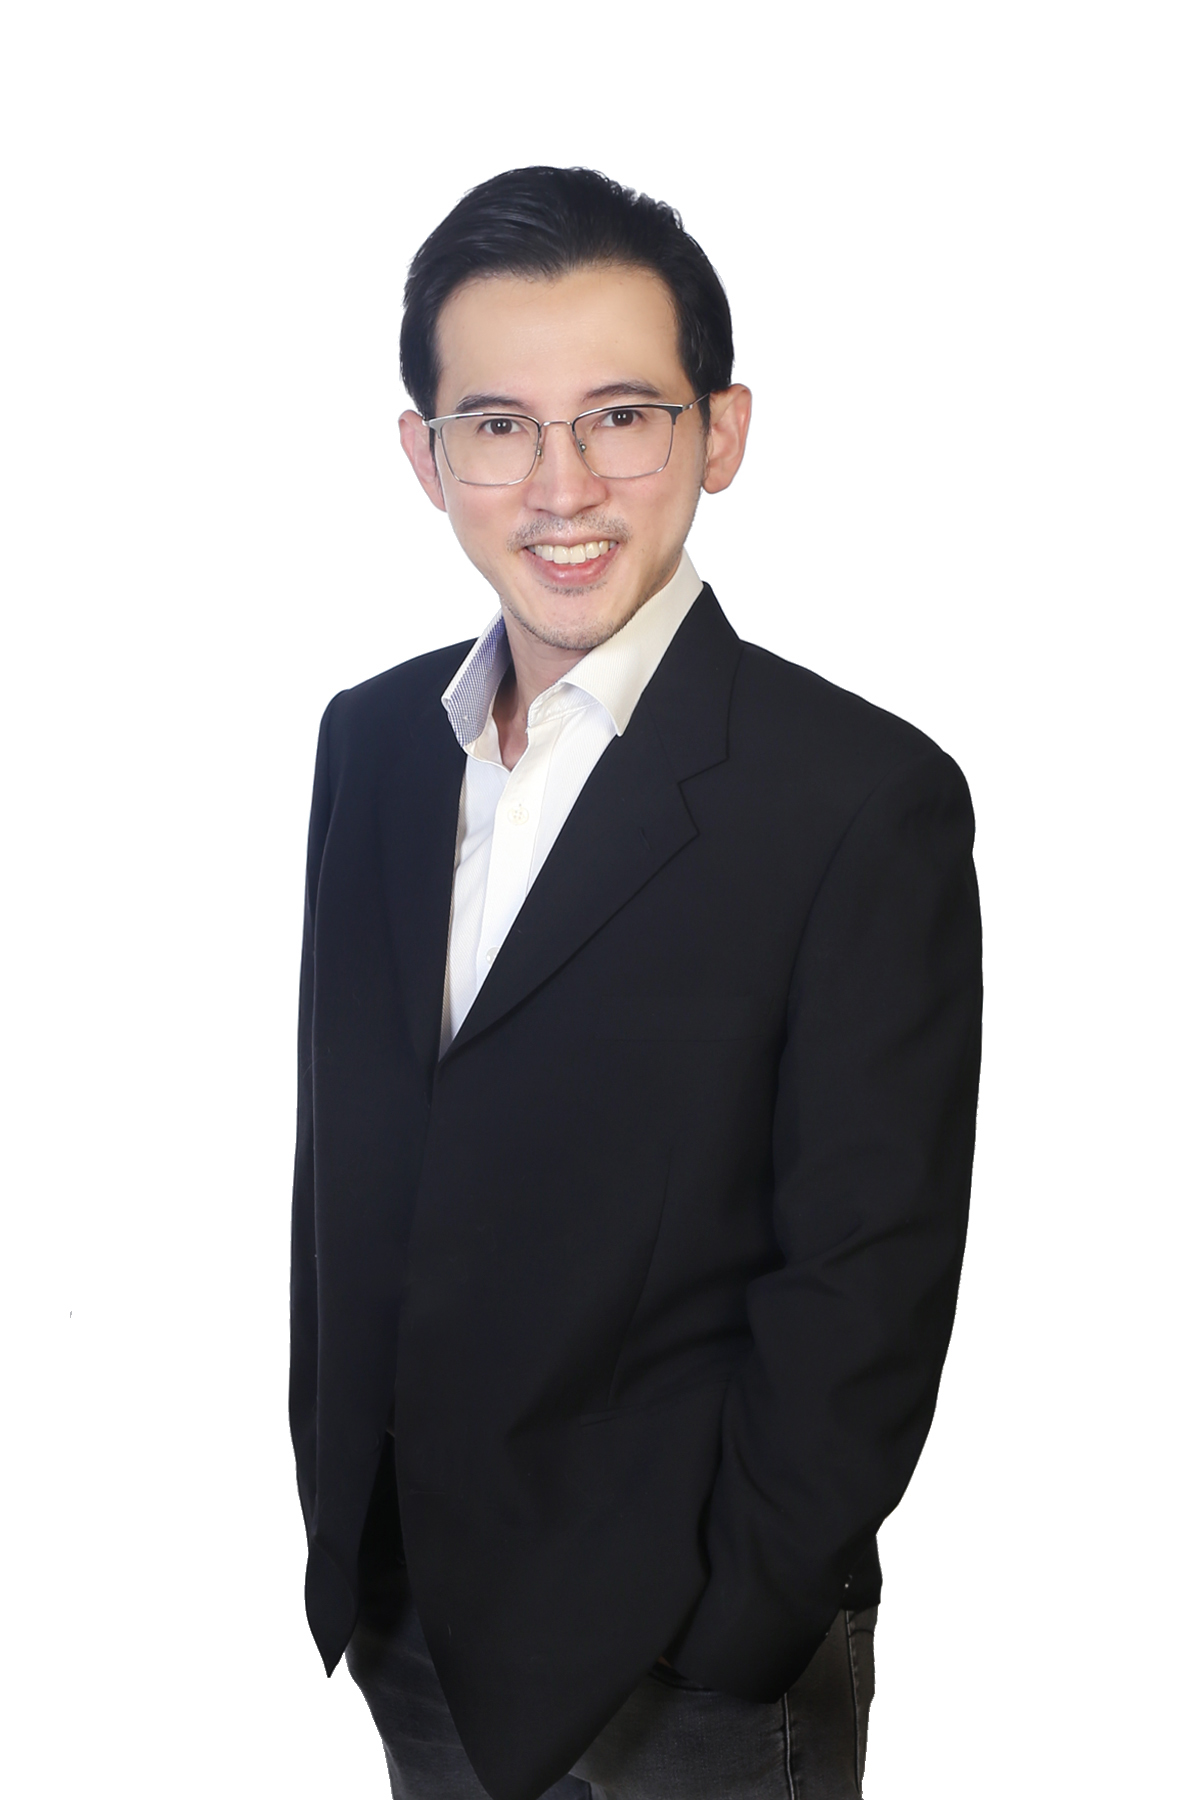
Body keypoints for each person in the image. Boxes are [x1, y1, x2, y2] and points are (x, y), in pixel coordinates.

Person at [290, 165, 982, 1800]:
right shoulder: (375, 743)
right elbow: (357, 1155)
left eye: (621, 417)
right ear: (427, 457)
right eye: (498, 425)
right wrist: (346, 1514)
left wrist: (742, 1619)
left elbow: (868, 1268)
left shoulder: (855, 797)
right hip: (413, 1605)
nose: (562, 485)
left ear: (719, 434)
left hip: (681, 1659)